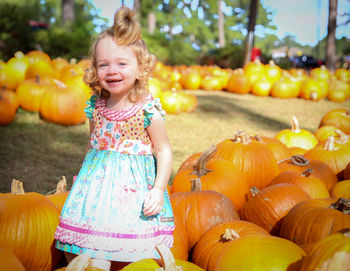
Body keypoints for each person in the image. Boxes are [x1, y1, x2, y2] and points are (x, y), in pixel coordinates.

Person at [54, 7, 175, 271]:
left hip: (133, 194)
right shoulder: (96, 107)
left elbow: (163, 151)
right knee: (93, 251)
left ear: (140, 67)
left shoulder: (147, 111)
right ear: (95, 68)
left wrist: (157, 188)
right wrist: (84, 177)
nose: (112, 70)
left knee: (132, 254)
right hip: (97, 190)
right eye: (103, 64)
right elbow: (93, 144)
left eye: (122, 63)